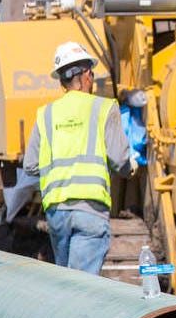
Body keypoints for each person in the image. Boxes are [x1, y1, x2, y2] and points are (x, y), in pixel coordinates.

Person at [7, 42, 131, 274]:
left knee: (67, 281)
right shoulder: (104, 108)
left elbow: (31, 165)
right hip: (90, 209)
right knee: (82, 287)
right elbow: (120, 160)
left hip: (57, 213)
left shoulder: (46, 114)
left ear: (62, 81)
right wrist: (126, 170)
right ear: (86, 75)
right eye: (92, 74)